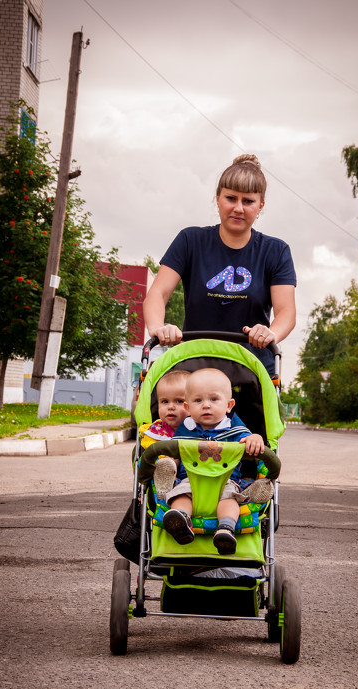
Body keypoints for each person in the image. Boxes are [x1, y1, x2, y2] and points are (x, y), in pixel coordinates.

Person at [143, 154, 296, 376]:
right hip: (195, 365)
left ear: (260, 205)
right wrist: (158, 327)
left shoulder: (275, 251)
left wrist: (271, 333)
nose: (238, 208)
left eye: (248, 201)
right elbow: (158, 293)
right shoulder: (190, 241)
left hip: (252, 371)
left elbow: (286, 312)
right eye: (231, 198)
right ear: (218, 198)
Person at [162, 368, 272, 556]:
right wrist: (169, 462)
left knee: (229, 500)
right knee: (180, 495)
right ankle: (181, 521)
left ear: (229, 405)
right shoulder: (186, 428)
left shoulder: (233, 426)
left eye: (214, 399)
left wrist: (255, 438)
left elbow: (249, 439)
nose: (206, 405)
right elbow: (175, 451)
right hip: (190, 481)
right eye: (198, 400)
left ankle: (225, 530)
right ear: (188, 408)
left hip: (225, 481)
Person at [139, 369, 190, 499]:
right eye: (165, 402)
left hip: (196, 474)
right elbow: (148, 449)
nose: (170, 407)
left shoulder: (200, 428)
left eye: (179, 401)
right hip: (166, 474)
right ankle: (164, 483)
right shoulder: (155, 431)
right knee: (148, 457)